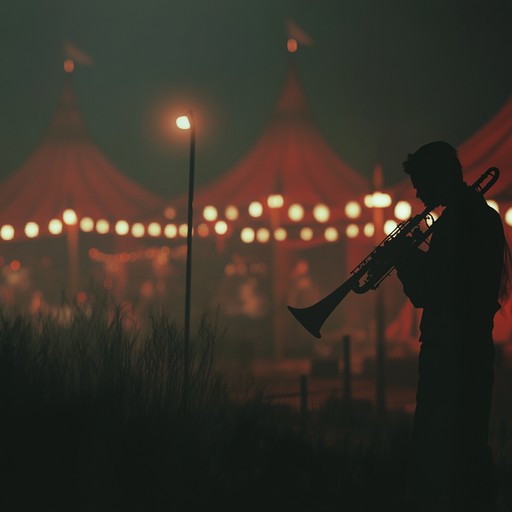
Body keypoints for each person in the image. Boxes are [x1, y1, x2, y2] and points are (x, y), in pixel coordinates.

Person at [393, 141, 510, 511]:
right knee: (468, 445)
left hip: (449, 352)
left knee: (442, 444)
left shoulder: (458, 222)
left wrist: (405, 259)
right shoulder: (477, 216)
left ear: (438, 176)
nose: (416, 192)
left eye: (420, 182)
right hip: (469, 348)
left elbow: (431, 290)